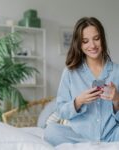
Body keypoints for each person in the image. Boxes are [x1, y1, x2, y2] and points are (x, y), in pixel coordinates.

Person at [44, 17, 119, 146]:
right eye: (85, 41)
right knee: (51, 131)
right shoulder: (70, 72)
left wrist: (117, 99)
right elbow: (61, 111)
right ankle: (93, 146)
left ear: (102, 39)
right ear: (79, 44)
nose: (92, 45)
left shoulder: (116, 71)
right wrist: (78, 102)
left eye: (96, 39)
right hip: (79, 136)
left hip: (111, 135)